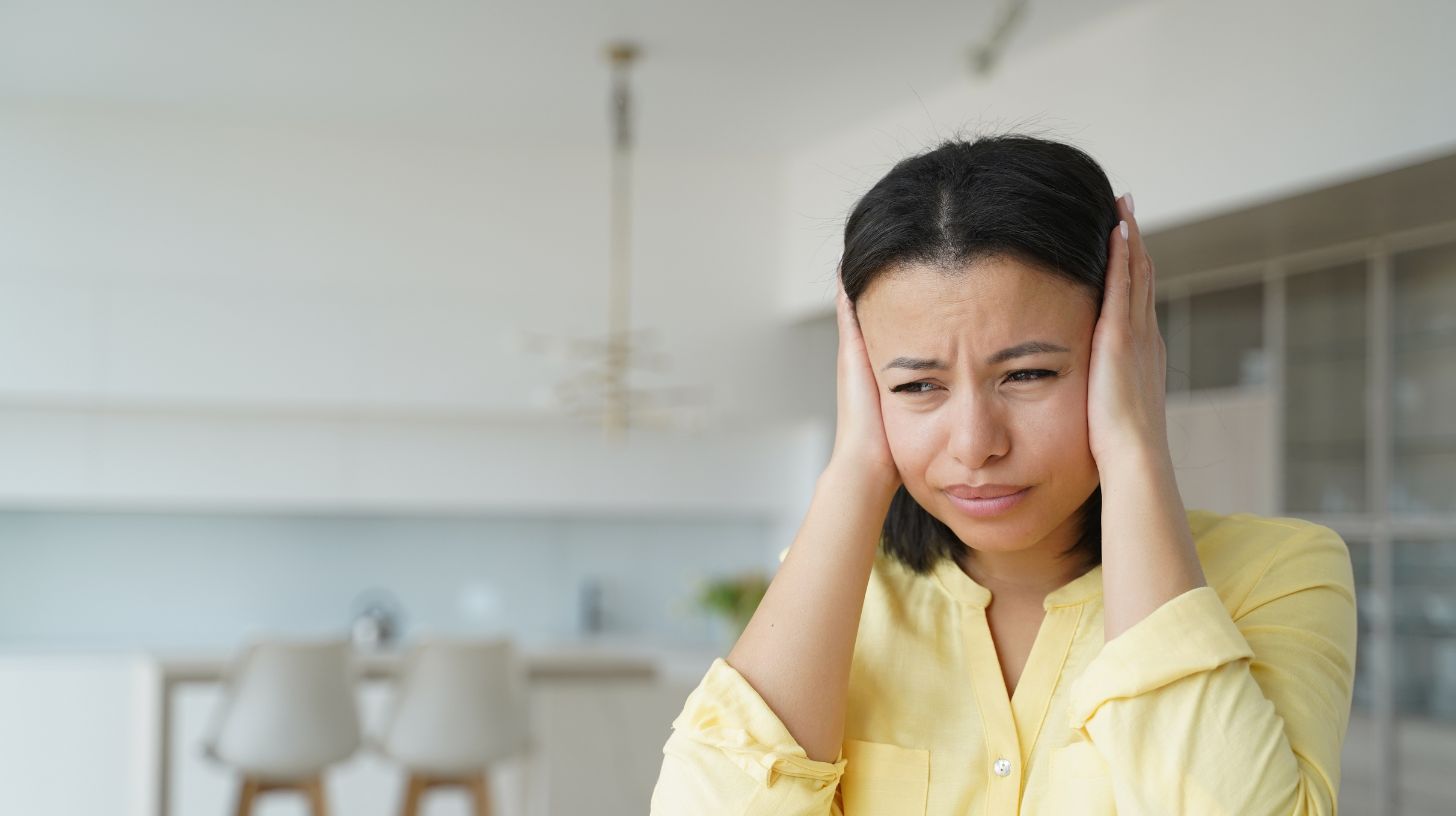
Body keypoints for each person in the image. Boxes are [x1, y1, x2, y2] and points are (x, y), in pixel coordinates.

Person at [649, 134, 1357, 815]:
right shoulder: (838, 594)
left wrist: (1136, 449)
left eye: (1027, 373)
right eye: (918, 386)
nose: (974, 443)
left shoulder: (1280, 574)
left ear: (1128, 352)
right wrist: (855, 470)